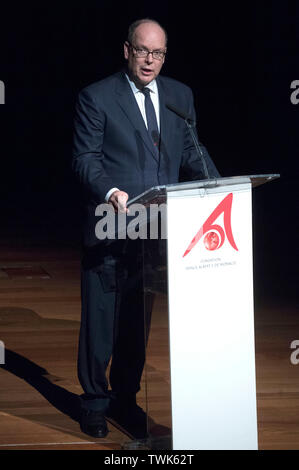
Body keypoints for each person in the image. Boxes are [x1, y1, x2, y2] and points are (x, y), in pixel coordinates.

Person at [72, 18, 220, 439]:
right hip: (111, 223)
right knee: (102, 319)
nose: (150, 61)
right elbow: (85, 159)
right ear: (127, 50)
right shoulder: (97, 97)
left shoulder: (179, 96)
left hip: (158, 229)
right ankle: (95, 404)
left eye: (158, 53)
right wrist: (111, 191)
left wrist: (220, 188)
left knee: (138, 319)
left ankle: (125, 397)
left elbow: (192, 150)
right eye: (142, 51)